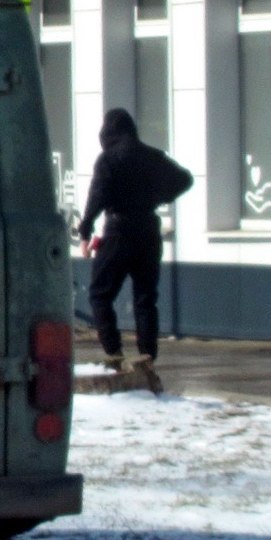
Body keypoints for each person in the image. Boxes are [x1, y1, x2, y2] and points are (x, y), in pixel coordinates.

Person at [77, 108, 194, 371]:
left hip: (119, 231)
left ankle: (115, 354)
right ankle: (147, 359)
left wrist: (85, 231)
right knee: (145, 298)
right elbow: (184, 179)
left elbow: (97, 196)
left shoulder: (108, 160)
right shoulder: (153, 156)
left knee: (99, 294)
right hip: (149, 231)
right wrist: (158, 196)